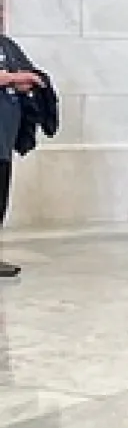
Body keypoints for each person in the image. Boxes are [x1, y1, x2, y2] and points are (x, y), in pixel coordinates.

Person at [0, 17, 60, 279]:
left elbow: (32, 74)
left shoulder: (7, 45)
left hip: (3, 138)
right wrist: (12, 78)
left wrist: (26, 80)